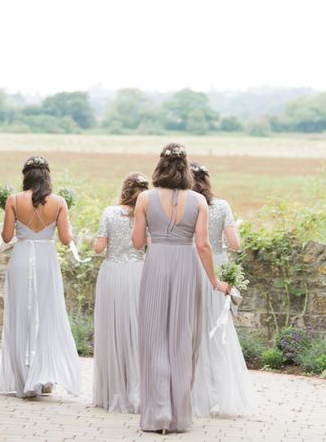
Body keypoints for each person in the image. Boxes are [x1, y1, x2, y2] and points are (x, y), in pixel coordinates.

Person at [132, 143, 229, 434]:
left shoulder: (145, 198)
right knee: (183, 339)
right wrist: (214, 281)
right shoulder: (199, 201)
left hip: (157, 263)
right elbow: (202, 245)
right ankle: (178, 416)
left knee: (154, 337)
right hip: (188, 267)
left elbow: (137, 243)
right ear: (185, 168)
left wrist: (156, 234)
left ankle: (157, 413)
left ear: (160, 166)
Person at [0, 155, 81, 399]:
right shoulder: (58, 202)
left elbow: (5, 236)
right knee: (46, 314)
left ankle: (24, 377)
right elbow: (66, 240)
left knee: (20, 314)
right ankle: (44, 376)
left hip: (22, 258)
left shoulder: (13, 200)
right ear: (47, 177)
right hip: (46, 259)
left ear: (26, 176)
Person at [190, 163, 256, 417]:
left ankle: (195, 393)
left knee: (191, 327)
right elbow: (235, 244)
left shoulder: (186, 204)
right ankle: (221, 392)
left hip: (189, 265)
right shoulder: (221, 206)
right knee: (217, 330)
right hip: (216, 265)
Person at [92, 172, 149, 413]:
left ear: (124, 190)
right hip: (138, 273)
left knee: (112, 328)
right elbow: (149, 245)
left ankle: (113, 391)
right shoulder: (147, 214)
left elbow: (98, 248)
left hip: (113, 274)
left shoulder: (109, 212)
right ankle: (138, 391)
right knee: (137, 329)